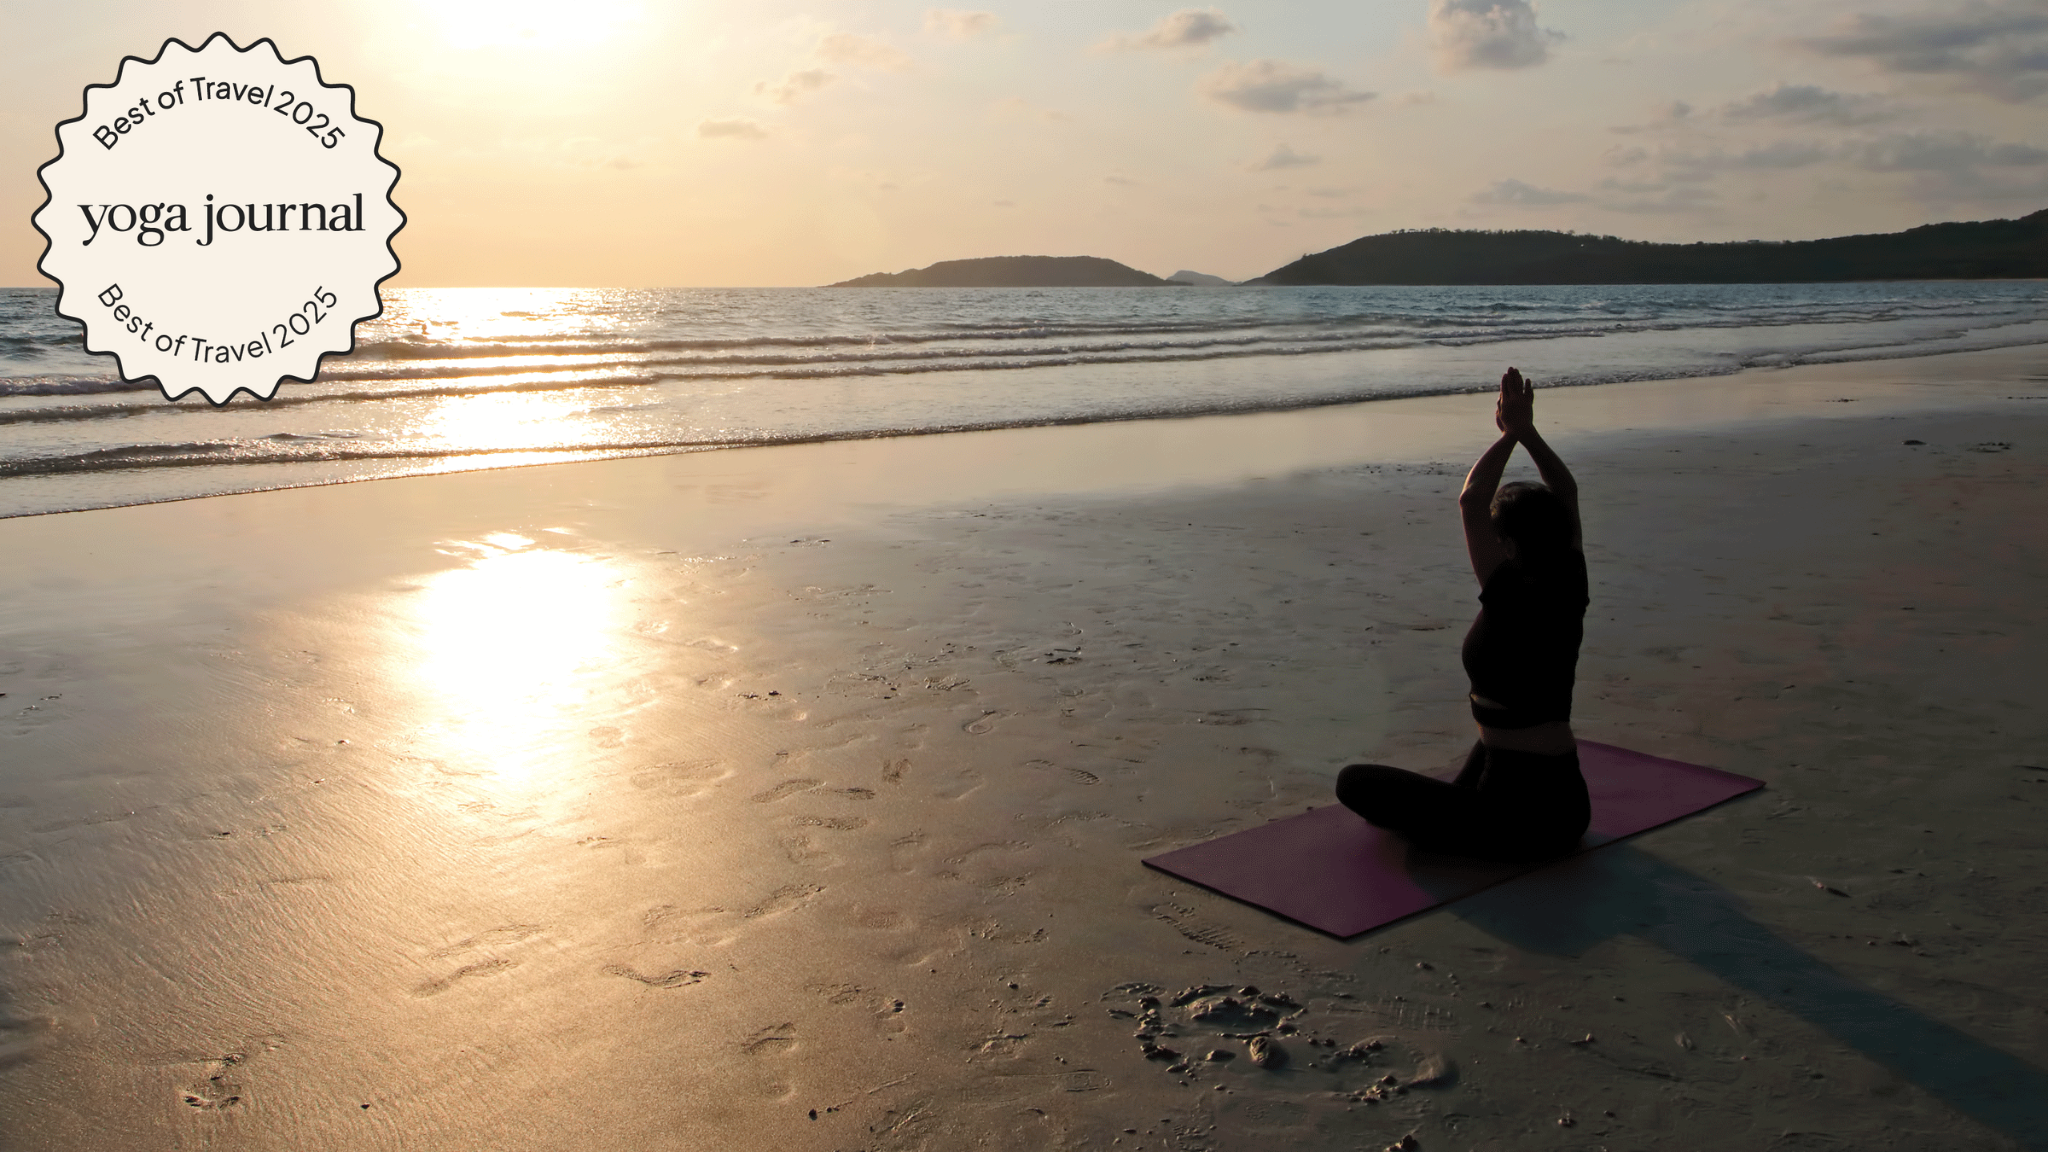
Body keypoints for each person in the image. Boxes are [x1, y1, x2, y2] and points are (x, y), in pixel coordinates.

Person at [1335, 366, 1591, 860]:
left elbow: (1472, 498)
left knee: (1354, 784)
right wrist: (1526, 434)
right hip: (1567, 807)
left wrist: (1513, 435)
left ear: (1510, 544)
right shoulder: (1571, 580)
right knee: (1450, 785)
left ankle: (1456, 825)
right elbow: (1567, 494)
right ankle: (1455, 814)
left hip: (1516, 819)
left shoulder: (1509, 590)